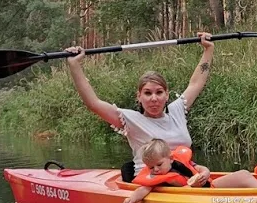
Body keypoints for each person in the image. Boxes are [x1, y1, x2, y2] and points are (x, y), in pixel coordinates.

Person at [64, 32, 215, 182]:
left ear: (167, 95)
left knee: (240, 178)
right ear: (139, 97)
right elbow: (93, 103)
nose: (154, 98)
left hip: (187, 178)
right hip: (151, 184)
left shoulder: (177, 111)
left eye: (159, 92)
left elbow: (196, 83)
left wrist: (208, 50)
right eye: (148, 93)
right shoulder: (131, 120)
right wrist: (74, 65)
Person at [122, 139, 211, 203]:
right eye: (151, 167)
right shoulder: (156, 178)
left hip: (208, 188)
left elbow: (201, 168)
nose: (156, 169)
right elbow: (144, 189)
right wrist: (131, 199)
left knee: (225, 180)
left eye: (159, 164)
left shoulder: (181, 162)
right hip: (193, 196)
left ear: (171, 159)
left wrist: (205, 173)